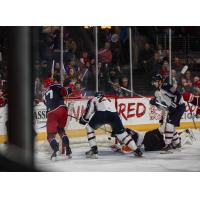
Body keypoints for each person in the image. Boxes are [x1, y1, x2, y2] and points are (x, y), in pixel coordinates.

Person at [79, 92, 142, 158]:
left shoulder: (93, 99)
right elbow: (116, 114)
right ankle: (137, 150)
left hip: (101, 114)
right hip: (114, 115)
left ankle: (94, 150)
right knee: (122, 134)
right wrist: (115, 129)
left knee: (89, 127)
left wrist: (83, 120)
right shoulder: (109, 100)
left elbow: (88, 113)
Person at [150, 74, 186, 152]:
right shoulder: (159, 91)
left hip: (179, 107)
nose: (154, 84)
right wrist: (155, 103)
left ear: (160, 81)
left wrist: (175, 105)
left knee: (169, 125)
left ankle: (168, 145)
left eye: (155, 82)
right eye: (153, 82)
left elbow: (178, 94)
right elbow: (162, 106)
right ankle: (177, 143)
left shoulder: (166, 86)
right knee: (170, 126)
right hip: (173, 108)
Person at [43, 75, 72, 160]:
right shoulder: (57, 86)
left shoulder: (44, 94)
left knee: (50, 136)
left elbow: (46, 103)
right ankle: (68, 150)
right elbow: (65, 92)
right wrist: (69, 88)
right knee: (61, 130)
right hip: (62, 110)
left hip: (52, 113)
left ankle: (56, 151)